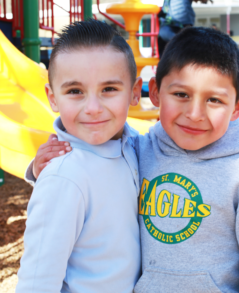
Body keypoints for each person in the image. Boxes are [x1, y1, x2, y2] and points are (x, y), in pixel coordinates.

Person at [28, 27, 239, 292]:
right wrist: (41, 170)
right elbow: (90, 171)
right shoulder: (138, 149)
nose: (195, 114)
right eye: (181, 95)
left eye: (214, 100)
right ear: (156, 94)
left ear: (238, 107)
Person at [17, 19, 143, 293]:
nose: (94, 108)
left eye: (109, 89)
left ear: (135, 92)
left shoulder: (133, 145)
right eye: (75, 91)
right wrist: (47, 176)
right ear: (52, 98)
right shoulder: (64, 177)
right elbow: (37, 281)